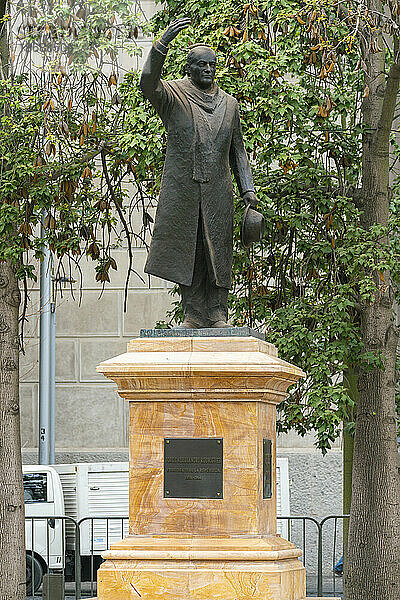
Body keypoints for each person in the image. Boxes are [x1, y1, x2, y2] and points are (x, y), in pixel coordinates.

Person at [140, 18, 258, 328]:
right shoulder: (173, 96)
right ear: (189, 68)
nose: (207, 69)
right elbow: (148, 83)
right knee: (189, 250)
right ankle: (192, 312)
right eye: (201, 65)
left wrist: (248, 191)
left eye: (211, 65)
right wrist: (161, 44)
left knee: (216, 250)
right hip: (184, 190)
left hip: (218, 191)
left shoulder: (230, 105)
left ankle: (218, 311)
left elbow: (239, 152)